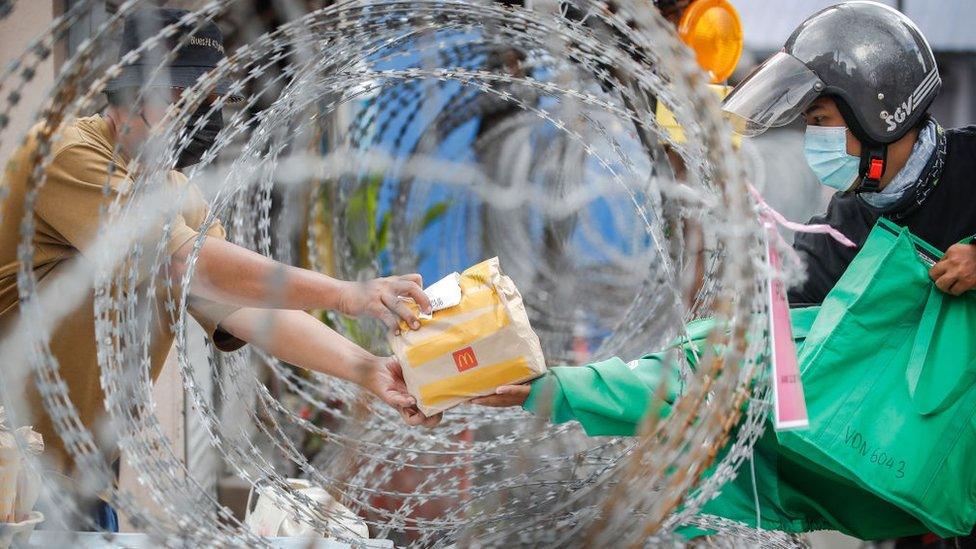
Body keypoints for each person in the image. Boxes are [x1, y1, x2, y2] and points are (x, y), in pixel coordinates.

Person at [472, 0, 976, 539]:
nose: (815, 143)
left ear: (880, 111)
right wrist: (556, 387)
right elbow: (721, 360)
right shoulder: (842, 233)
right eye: (810, 126)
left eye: (823, 122)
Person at [0, 7, 438, 489]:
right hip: (11, 456)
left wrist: (370, 370)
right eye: (182, 94)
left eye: (210, 96)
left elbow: (242, 305)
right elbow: (185, 263)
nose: (203, 113)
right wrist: (343, 294)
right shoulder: (66, 156)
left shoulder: (174, 191)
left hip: (82, 465)